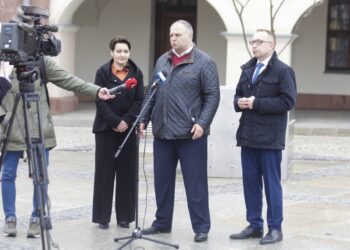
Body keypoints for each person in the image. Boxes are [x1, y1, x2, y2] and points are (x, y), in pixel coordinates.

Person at [0, 59, 113, 237]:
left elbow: (68, 80)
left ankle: (37, 217)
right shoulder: (5, 60)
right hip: (11, 126)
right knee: (7, 174)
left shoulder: (41, 62)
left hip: (39, 127)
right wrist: (3, 118)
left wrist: (96, 91)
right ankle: (10, 218)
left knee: (40, 175)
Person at [138, 20, 220, 243]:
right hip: (163, 133)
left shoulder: (204, 62)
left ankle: (201, 226)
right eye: (171, 35)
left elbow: (212, 96)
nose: (173, 39)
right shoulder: (162, 60)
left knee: (195, 183)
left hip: (190, 134)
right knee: (162, 181)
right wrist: (143, 118)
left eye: (178, 35)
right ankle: (162, 222)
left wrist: (202, 123)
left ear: (190, 36)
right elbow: (152, 92)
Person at [229, 29, 297, 245]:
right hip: (248, 136)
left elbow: (288, 102)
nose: (255, 45)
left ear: (272, 44)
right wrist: (239, 102)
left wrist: (256, 103)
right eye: (253, 41)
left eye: (259, 41)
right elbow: (238, 96)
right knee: (250, 183)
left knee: (271, 184)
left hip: (269, 139)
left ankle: (275, 228)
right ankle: (255, 225)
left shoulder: (283, 71)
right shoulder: (248, 68)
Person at [92, 36, 144, 229]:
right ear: (111, 52)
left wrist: (126, 122)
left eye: (125, 51)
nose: (122, 55)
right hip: (106, 129)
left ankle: (125, 217)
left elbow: (140, 100)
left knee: (127, 174)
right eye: (119, 51)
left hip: (128, 130)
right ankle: (102, 217)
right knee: (104, 173)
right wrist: (115, 121)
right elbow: (99, 100)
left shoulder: (136, 74)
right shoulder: (102, 72)